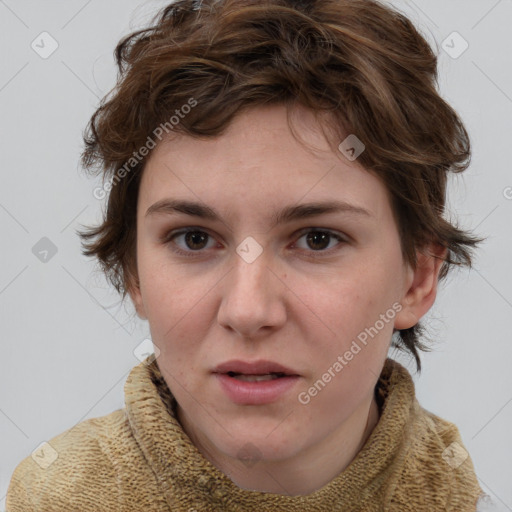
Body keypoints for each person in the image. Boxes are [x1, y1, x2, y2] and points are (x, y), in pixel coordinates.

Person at [7, 0, 491, 510]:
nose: (248, 311)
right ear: (134, 273)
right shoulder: (58, 498)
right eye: (194, 238)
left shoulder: (451, 485)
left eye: (317, 239)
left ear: (416, 278)